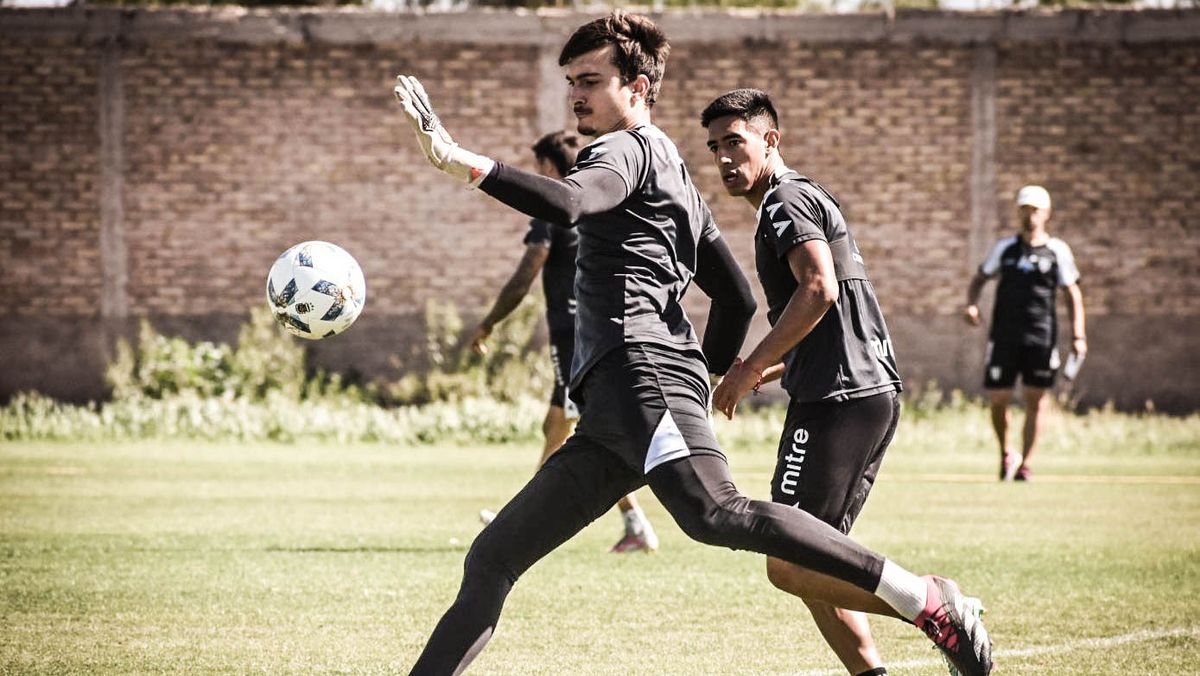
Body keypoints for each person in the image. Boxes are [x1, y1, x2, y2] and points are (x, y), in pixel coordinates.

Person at [392, 11, 991, 676]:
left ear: (640, 89)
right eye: (571, 81)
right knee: (493, 556)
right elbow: (733, 297)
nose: (577, 95)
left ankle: (924, 597)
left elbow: (567, 204)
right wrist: (699, 382)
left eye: (591, 79)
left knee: (714, 513)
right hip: (617, 412)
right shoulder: (673, 169)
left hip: (641, 377)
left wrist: (460, 161)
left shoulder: (621, 149)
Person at [703, 87, 909, 676]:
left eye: (735, 142)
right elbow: (836, 325)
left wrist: (743, 370)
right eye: (714, 146)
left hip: (838, 401)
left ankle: (934, 606)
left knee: (790, 559)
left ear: (771, 141)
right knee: (816, 555)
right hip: (859, 393)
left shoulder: (784, 202)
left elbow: (819, 290)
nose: (722, 158)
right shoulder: (807, 196)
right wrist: (767, 370)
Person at [469, 130, 658, 553]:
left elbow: (523, 279)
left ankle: (515, 526)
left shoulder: (553, 214)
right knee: (559, 427)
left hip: (575, 344)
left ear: (551, 169)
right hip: (593, 337)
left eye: (539, 170)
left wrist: (488, 323)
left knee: (581, 434)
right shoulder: (599, 208)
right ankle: (633, 522)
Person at [964, 185, 1086, 481]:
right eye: (1025, 209)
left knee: (1035, 400)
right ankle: (1006, 453)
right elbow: (980, 277)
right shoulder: (1005, 248)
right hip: (1004, 336)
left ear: (1046, 213)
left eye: (1035, 210)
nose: (1030, 215)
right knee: (998, 398)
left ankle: (1026, 464)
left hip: (1041, 338)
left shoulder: (1058, 251)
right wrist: (971, 304)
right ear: (1018, 212)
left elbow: (1072, 293)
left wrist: (1078, 335)